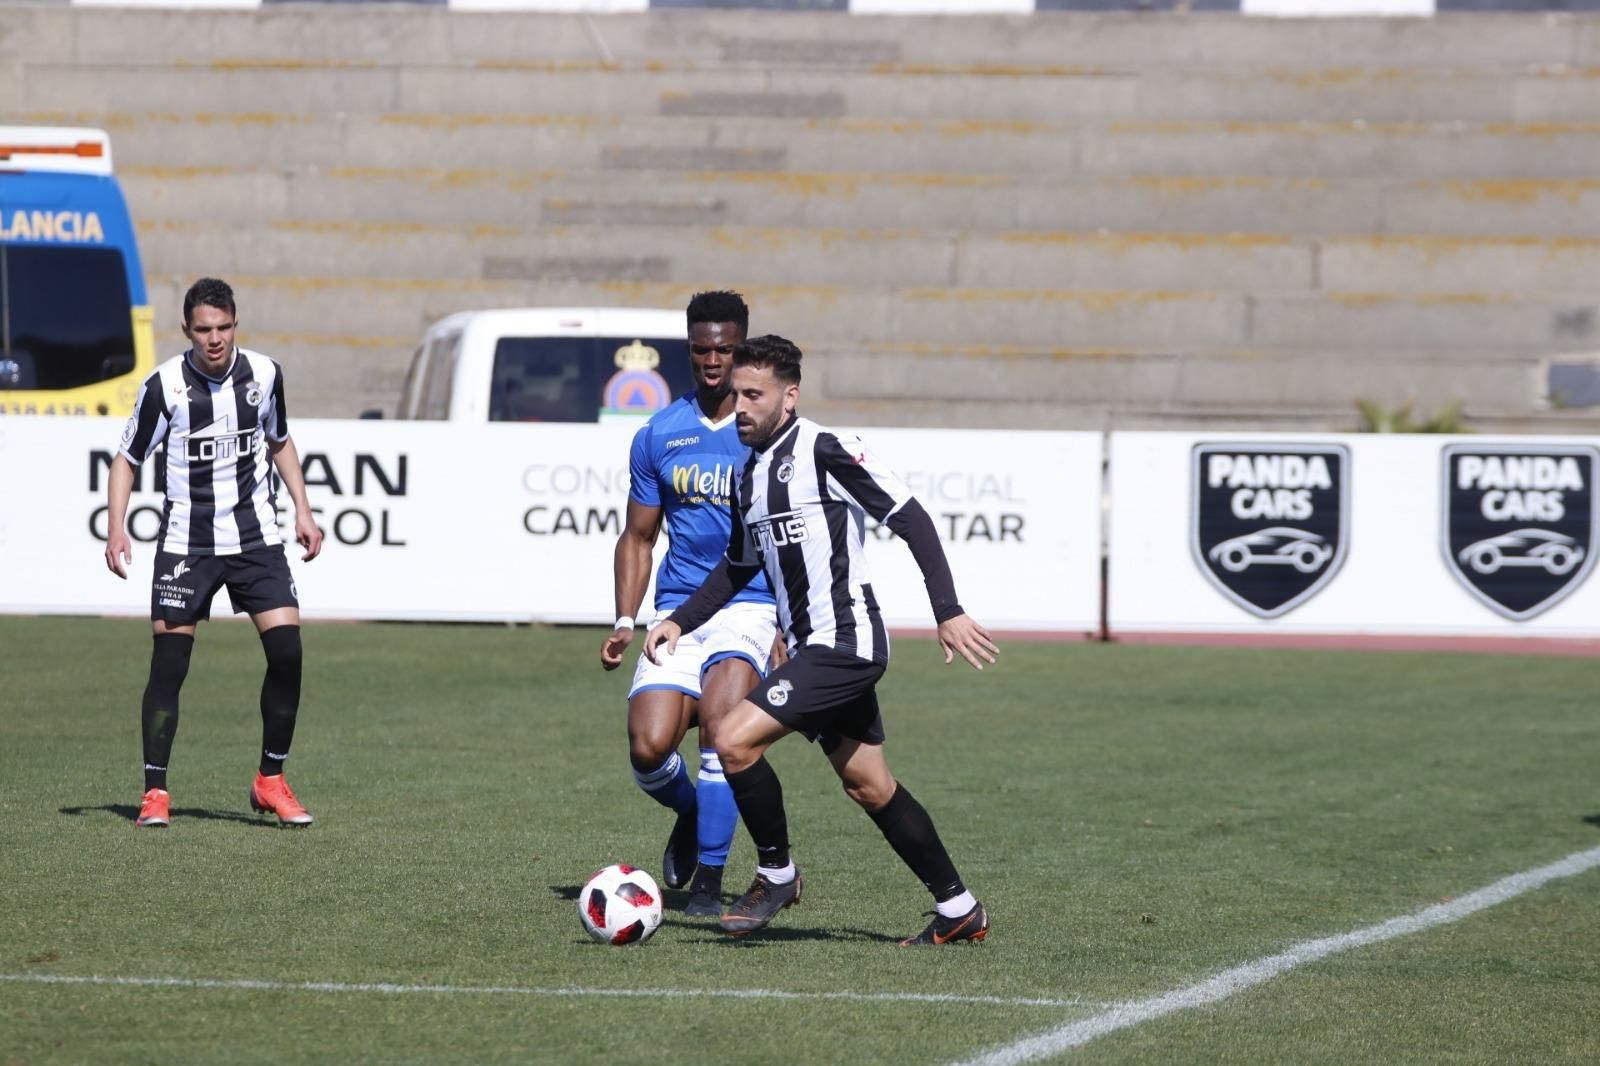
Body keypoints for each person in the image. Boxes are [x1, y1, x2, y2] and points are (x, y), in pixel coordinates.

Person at [644, 334, 1000, 945]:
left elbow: (911, 518)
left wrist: (948, 610)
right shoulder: (747, 474)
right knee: (869, 785)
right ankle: (959, 908)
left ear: (790, 396)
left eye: (754, 395)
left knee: (730, 739)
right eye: (737, 394)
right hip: (812, 649)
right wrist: (682, 620)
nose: (741, 406)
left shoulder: (826, 450)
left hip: (845, 643)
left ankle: (776, 875)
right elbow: (738, 565)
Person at [104, 277, 324, 829]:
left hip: (255, 538)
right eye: (204, 329)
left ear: (235, 324)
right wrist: (116, 527)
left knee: (288, 653)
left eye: (224, 327)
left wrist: (302, 508)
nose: (215, 338)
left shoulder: (265, 375)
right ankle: (155, 792)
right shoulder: (164, 387)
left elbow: (279, 440)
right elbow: (127, 459)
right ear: (187, 329)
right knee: (170, 665)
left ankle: (270, 779)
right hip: (188, 543)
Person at [600, 291, 782, 916]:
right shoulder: (658, 434)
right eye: (701, 349)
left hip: (750, 604)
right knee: (649, 748)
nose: (712, 361)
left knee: (720, 733)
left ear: (742, 348)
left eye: (724, 350)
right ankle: (693, 813)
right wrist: (625, 619)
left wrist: (788, 623)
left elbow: (792, 538)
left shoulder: (766, 434)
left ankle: (708, 880)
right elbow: (638, 536)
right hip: (679, 608)